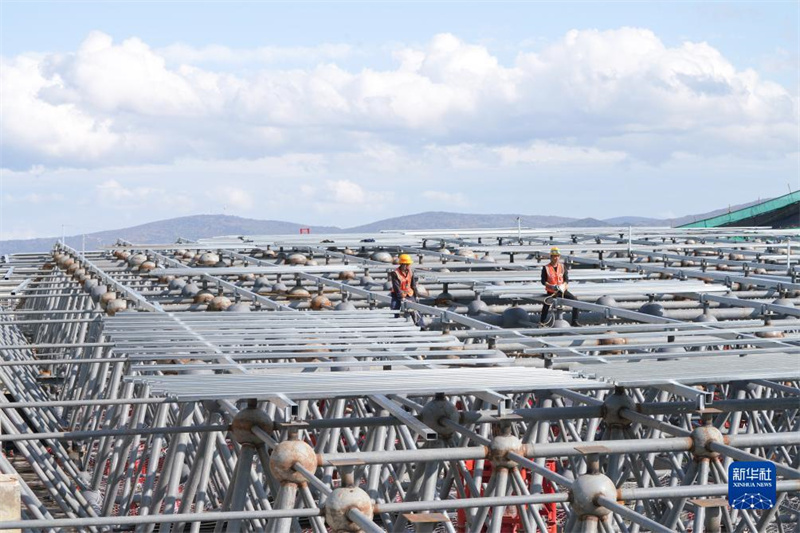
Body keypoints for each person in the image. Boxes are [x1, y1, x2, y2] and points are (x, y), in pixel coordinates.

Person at [540, 247, 580, 326]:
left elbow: (566, 280)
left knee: (575, 301)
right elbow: (543, 281)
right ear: (551, 257)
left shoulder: (562, 267)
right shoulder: (546, 268)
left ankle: (574, 321)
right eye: (554, 256)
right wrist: (551, 286)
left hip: (562, 291)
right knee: (546, 304)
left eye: (557, 256)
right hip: (551, 292)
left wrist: (563, 285)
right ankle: (542, 322)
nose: (556, 258)